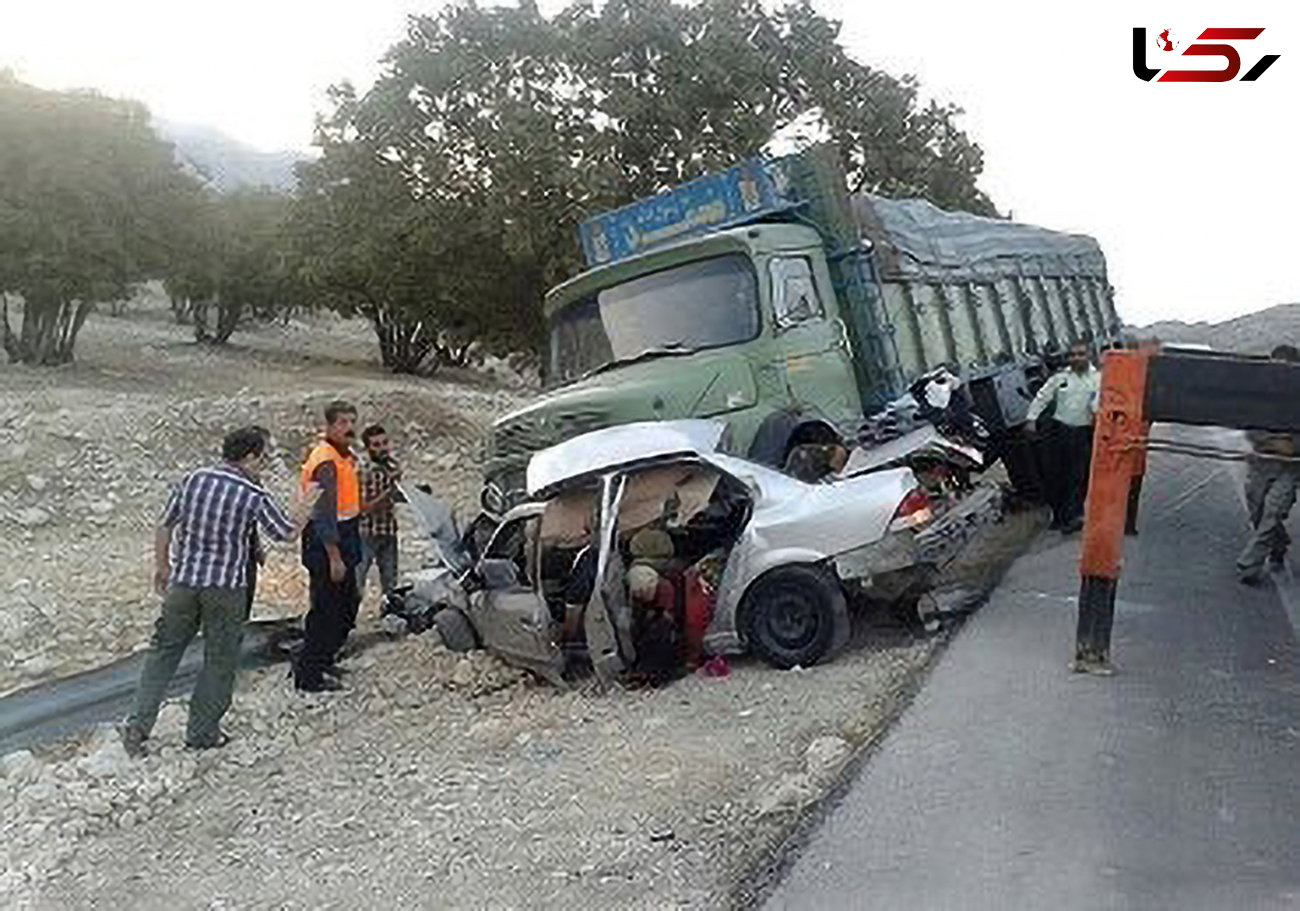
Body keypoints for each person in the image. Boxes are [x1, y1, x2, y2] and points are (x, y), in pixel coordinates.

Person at [120, 427, 316, 757]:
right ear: (251, 456)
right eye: (262, 457)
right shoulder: (252, 493)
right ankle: (202, 732)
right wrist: (304, 505)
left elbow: (166, 523)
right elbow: (286, 533)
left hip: (184, 583)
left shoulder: (193, 479)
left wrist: (162, 566)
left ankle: (138, 727)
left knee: (163, 653)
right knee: (220, 660)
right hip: (225, 590)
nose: (263, 464)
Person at [294, 400, 363, 692]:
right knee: (326, 607)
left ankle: (323, 659)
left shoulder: (342, 456)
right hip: (327, 541)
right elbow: (324, 512)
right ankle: (310, 675)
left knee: (344, 604)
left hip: (344, 534)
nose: (348, 428)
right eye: (342, 423)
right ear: (330, 426)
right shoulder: (326, 462)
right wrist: (334, 556)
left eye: (351, 422)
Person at [1236, 344, 1300, 585]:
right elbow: (1251, 429)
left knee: (1273, 510)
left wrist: (1291, 445)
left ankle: (1249, 565)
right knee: (1257, 510)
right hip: (1261, 464)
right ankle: (1279, 544)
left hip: (1290, 467)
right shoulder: (1261, 396)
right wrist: (1274, 442)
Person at [1026, 339, 1100, 533]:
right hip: (1058, 432)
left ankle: (1074, 516)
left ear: (1089, 356)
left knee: (1078, 475)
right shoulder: (1060, 378)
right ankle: (1059, 517)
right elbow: (1042, 397)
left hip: (1082, 432)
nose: (1077, 358)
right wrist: (1031, 419)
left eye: (1081, 354)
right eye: (1073, 355)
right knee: (1054, 475)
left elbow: (1098, 403)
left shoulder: (1097, 379)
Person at [358, 423, 402, 607]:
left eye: (384, 442)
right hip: (367, 533)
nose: (382, 448)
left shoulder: (389, 468)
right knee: (357, 581)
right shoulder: (367, 472)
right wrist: (391, 489)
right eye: (376, 445)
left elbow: (392, 497)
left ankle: (390, 616)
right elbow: (365, 507)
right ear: (368, 449)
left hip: (387, 531)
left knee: (390, 582)